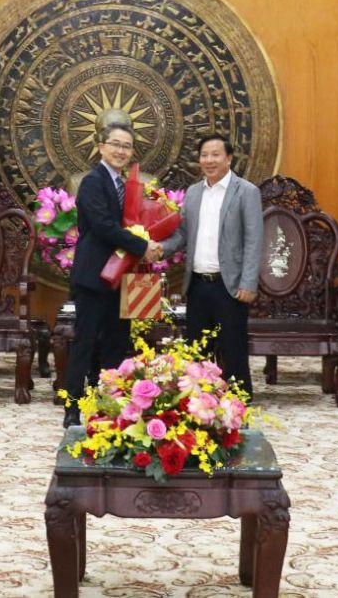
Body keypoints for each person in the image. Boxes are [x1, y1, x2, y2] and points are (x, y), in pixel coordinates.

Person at [62, 122, 158, 426]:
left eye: (126, 146)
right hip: (95, 277)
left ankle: (111, 406)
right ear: (101, 146)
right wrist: (143, 245)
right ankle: (72, 408)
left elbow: (134, 220)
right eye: (115, 144)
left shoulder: (129, 184)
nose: (120, 151)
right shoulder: (92, 182)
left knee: (118, 343)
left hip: (124, 276)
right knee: (85, 342)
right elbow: (104, 226)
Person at [159, 135, 263, 393]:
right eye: (204, 155)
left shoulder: (246, 191)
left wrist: (248, 283)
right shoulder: (194, 193)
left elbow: (254, 240)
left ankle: (240, 405)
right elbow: (182, 234)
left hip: (230, 286)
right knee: (198, 351)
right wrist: (159, 249)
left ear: (228, 158)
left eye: (215, 154)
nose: (209, 160)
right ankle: (200, 405)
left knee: (233, 350)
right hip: (196, 284)